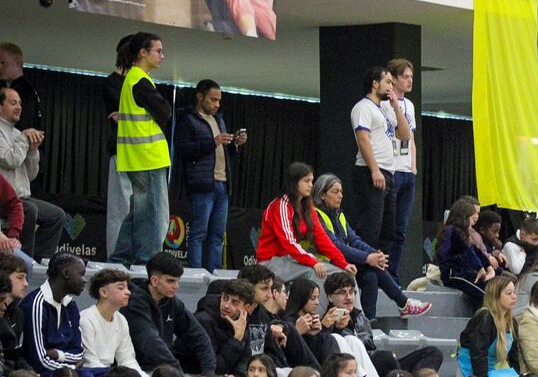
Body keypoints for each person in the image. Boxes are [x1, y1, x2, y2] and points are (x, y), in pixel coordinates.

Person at [312, 173, 429, 318]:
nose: (340, 196)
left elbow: (354, 240)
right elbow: (336, 246)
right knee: (372, 267)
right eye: (335, 192)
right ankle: (403, 303)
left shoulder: (339, 215)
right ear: (322, 195)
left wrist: (375, 254)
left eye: (341, 192)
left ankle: (367, 321)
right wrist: (367, 258)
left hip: (343, 262)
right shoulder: (316, 216)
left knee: (370, 276)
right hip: (327, 263)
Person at [110, 32, 172, 266]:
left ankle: (119, 257)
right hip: (148, 157)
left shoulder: (133, 79)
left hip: (137, 157)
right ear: (143, 53)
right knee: (152, 215)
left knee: (140, 211)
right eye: (158, 51)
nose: (162, 56)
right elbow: (165, 111)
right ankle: (146, 262)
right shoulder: (139, 80)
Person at [175, 79, 246, 272]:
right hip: (202, 184)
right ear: (199, 97)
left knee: (217, 234)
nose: (217, 104)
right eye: (212, 100)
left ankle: (214, 273)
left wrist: (234, 144)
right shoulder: (188, 120)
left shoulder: (219, 120)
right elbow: (183, 150)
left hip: (223, 184)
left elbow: (223, 152)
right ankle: (196, 272)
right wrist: (213, 142)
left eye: (219, 100)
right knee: (199, 233)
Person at [121, 252, 216, 377]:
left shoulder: (172, 302)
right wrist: (178, 374)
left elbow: (199, 336)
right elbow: (150, 342)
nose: (176, 286)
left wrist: (209, 374)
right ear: (154, 281)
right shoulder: (134, 303)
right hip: (138, 371)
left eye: (177, 280)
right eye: (171, 281)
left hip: (164, 371)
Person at [256, 162, 358, 283]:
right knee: (316, 273)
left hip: (291, 259)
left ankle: (346, 296)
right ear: (294, 182)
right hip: (271, 261)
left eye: (311, 181)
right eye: (306, 181)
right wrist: (312, 262)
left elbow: (321, 238)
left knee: (346, 274)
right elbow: (288, 242)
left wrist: (343, 263)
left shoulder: (308, 207)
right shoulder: (280, 206)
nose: (311, 185)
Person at [19, 254, 98, 377]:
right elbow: (39, 360)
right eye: (81, 274)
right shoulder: (36, 305)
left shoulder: (70, 304)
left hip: (62, 367)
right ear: (66, 273)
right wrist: (71, 368)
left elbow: (79, 353)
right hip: (41, 372)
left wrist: (58, 354)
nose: (85, 280)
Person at [0, 87, 63, 260]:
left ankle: (36, 261)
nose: (19, 107)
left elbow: (31, 175)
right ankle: (20, 260)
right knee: (29, 209)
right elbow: (10, 160)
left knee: (57, 216)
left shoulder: (17, 133)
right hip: (4, 200)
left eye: (20, 103)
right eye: (13, 103)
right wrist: (23, 139)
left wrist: (33, 151)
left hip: (22, 197)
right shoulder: (14, 134)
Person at [352, 65, 409, 252]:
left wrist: (396, 107)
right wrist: (375, 170)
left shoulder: (385, 109)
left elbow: (405, 135)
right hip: (370, 171)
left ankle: (381, 267)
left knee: (388, 231)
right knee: (370, 228)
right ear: (375, 84)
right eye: (388, 82)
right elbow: (363, 139)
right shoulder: (363, 107)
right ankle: (364, 267)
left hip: (389, 173)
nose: (391, 87)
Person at [80, 268, 145, 377]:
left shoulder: (121, 320)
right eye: (121, 288)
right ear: (104, 292)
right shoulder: (86, 319)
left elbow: (127, 359)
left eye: (127, 288)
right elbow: (90, 362)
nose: (128, 292)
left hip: (111, 374)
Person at [458, 275, 519, 377]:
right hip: (475, 373)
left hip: (497, 372)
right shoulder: (485, 318)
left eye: (514, 292)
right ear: (496, 296)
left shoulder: (511, 321)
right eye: (509, 293)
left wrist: (519, 375)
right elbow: (478, 355)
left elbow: (514, 357)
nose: (514, 296)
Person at [385, 59, 418, 282]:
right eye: (405, 76)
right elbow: (400, 133)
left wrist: (413, 166)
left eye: (411, 77)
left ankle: (393, 274)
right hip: (392, 169)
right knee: (389, 227)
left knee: (401, 229)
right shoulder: (385, 104)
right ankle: (384, 274)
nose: (410, 80)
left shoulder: (410, 105)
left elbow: (411, 138)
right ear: (394, 79)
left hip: (407, 170)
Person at [103, 36, 134, 260]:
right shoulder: (112, 82)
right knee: (120, 208)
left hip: (143, 154)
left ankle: (136, 259)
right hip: (122, 149)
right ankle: (115, 260)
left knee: (141, 211)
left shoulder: (143, 83)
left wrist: (130, 116)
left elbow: (161, 113)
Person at [436, 196, 494, 302]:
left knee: (492, 290)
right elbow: (467, 251)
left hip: (464, 273)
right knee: (487, 296)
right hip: (454, 275)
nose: (476, 217)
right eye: (473, 215)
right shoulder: (452, 231)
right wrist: (479, 268)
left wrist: (487, 265)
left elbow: (475, 251)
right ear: (464, 216)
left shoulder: (462, 233)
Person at [0, 43, 44, 146]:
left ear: (17, 63)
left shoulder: (26, 91)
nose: (0, 67)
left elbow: (24, 126)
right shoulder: (7, 86)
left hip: (17, 149)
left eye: (3, 63)